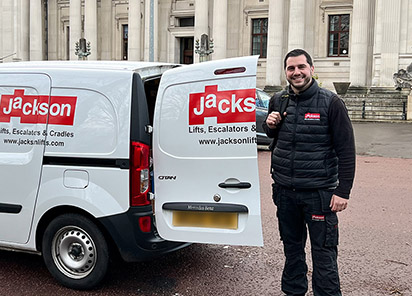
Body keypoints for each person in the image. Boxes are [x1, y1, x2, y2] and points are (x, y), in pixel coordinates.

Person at [263, 49, 356, 296]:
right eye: (291, 68)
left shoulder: (331, 103)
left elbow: (346, 150)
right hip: (285, 192)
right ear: (286, 72)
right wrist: (269, 125)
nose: (297, 73)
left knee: (324, 255)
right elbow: (274, 137)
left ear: (311, 69)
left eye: (301, 67)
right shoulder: (278, 100)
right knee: (292, 251)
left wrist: (343, 191)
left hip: (318, 194)